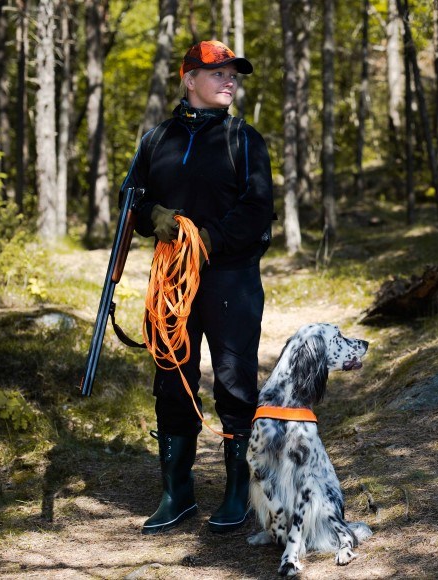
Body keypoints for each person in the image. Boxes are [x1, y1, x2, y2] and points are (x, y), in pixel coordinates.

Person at [118, 39, 275, 535]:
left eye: (233, 74)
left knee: (234, 380)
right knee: (171, 379)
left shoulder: (244, 139)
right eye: (217, 73)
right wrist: (154, 216)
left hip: (232, 279)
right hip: (171, 280)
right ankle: (176, 492)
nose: (229, 81)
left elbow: (257, 209)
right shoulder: (155, 140)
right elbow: (131, 200)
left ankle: (238, 492)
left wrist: (208, 239)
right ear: (189, 79)